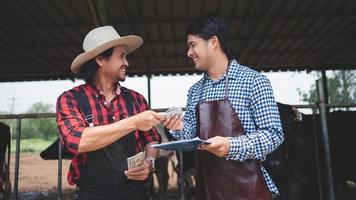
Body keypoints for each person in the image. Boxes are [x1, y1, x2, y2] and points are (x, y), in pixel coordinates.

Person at [164, 16, 284, 199]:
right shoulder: (195, 91)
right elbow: (191, 138)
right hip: (208, 190)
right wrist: (177, 127)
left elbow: (273, 134)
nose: (189, 52)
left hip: (249, 190)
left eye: (193, 45)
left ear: (213, 42)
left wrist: (231, 145)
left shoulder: (253, 81)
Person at [56, 26, 163, 200]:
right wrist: (133, 122)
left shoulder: (137, 100)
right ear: (100, 59)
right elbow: (78, 140)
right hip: (91, 193)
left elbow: (151, 140)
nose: (126, 63)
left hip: (135, 192)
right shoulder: (71, 99)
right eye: (121, 56)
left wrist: (149, 162)